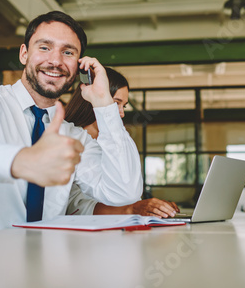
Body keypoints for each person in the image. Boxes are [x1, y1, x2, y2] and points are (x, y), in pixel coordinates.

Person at [0, 11, 142, 241]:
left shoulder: (74, 137)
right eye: (44, 47)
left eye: (68, 52)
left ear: (80, 66)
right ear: (24, 54)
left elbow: (123, 192)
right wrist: (19, 161)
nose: (55, 61)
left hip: (33, 267)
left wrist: (104, 104)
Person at [65, 67, 179, 218]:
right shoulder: (69, 140)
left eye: (123, 105)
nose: (121, 113)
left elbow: (130, 193)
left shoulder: (118, 140)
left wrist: (153, 207)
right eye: (115, 103)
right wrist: (131, 209)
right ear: (93, 98)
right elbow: (76, 207)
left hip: (125, 229)